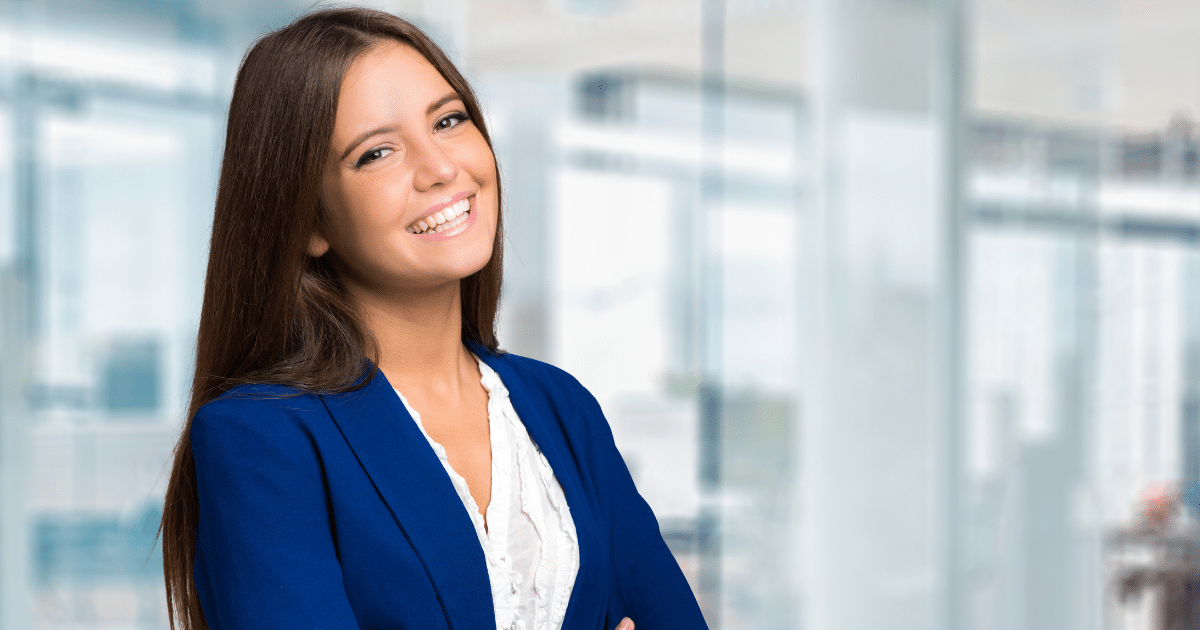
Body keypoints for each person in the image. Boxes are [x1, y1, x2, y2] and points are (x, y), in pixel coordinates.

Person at [157, 7, 708, 630]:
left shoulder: (560, 406)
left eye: (449, 120)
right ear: (308, 220)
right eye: (377, 153)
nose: (440, 167)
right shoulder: (260, 438)